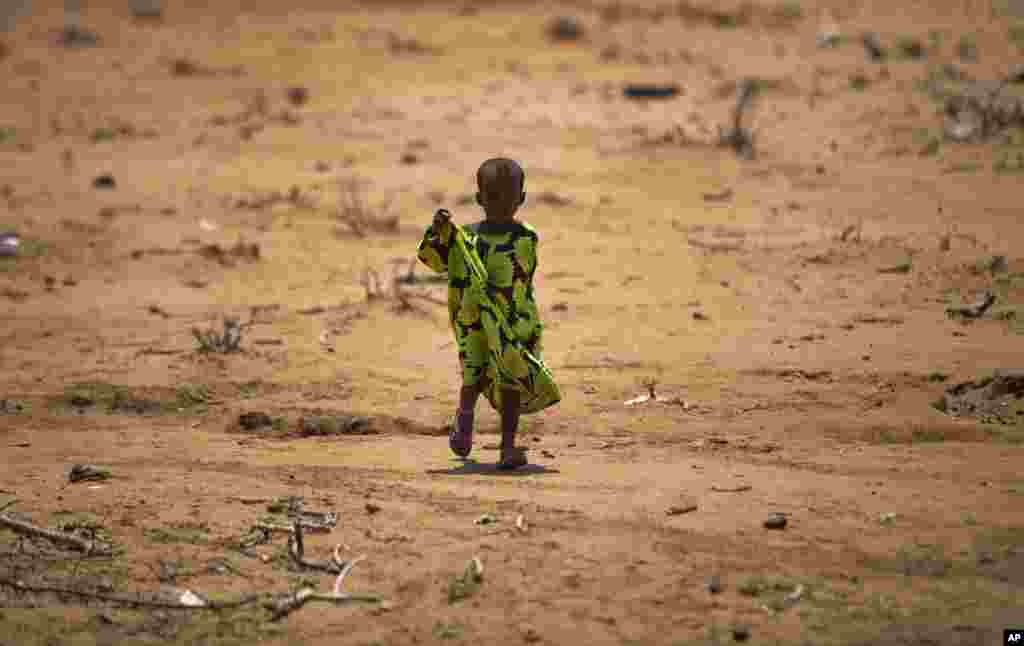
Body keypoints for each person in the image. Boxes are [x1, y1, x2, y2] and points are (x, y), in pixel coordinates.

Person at [417, 158, 560, 470]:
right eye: (497, 199)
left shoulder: (493, 239)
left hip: (504, 321)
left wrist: (448, 236)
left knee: (498, 377)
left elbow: (443, 262)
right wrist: (440, 231)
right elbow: (438, 259)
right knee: (477, 373)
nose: (501, 205)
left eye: (505, 199)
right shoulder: (517, 236)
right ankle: (467, 427)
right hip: (489, 321)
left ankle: (503, 446)